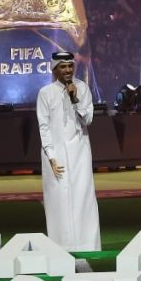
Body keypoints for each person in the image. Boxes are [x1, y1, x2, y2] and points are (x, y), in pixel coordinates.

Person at [36, 50, 101, 253]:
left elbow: (87, 120)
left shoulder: (82, 88)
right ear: (54, 69)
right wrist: (51, 156)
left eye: (70, 66)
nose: (67, 70)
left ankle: (88, 246)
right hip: (55, 155)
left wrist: (75, 99)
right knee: (58, 200)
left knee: (83, 198)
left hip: (80, 153)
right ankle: (59, 247)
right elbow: (44, 127)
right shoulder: (45, 93)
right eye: (62, 66)